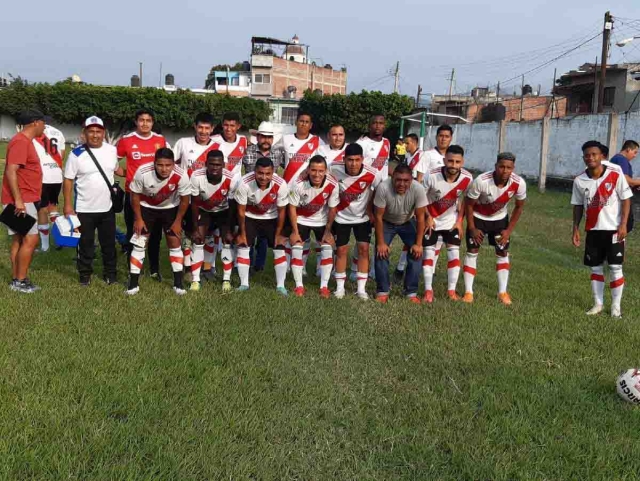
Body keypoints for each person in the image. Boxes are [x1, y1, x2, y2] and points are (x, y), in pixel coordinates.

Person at [571, 140, 632, 318]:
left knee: (615, 267)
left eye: (594, 154)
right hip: (593, 230)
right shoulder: (580, 180)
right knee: (595, 268)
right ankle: (598, 304)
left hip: (614, 230)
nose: (590, 157)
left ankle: (615, 308)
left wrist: (623, 224)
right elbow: (577, 206)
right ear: (584, 158)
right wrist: (575, 228)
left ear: (601, 156)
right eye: (587, 155)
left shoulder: (615, 173)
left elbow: (626, 198)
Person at [63, 116, 124, 286]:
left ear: (103, 133)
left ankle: (110, 274)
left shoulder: (111, 150)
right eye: (91, 131)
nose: (95, 135)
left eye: (98, 131)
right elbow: (68, 180)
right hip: (84, 208)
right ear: (85, 133)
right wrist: (68, 205)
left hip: (107, 208)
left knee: (109, 244)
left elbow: (117, 169)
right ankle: (85, 275)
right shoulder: (76, 154)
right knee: (86, 244)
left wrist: (132, 172)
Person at [463, 152, 526, 305]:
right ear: (495, 166)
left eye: (508, 168)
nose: (505, 171)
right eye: (501, 167)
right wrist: (471, 227)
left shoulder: (519, 183)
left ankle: (502, 292)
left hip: (500, 220)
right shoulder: (481, 181)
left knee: (502, 252)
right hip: (478, 218)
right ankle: (468, 292)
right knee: (472, 251)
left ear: (513, 168)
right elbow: (469, 204)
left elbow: (519, 208)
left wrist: (508, 231)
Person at [126, 148, 191, 296]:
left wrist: (178, 221)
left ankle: (178, 284)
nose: (164, 169)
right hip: (146, 208)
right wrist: (138, 218)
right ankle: (133, 284)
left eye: (168, 165)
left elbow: (185, 200)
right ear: (154, 163)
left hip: (170, 209)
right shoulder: (142, 172)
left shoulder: (181, 175)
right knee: (139, 242)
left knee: (174, 243)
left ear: (173, 164)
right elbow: (134, 196)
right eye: (160, 165)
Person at [117, 109, 168, 280]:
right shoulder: (126, 140)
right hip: (133, 194)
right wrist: (127, 174)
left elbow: (167, 164)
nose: (145, 123)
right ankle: (133, 268)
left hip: (156, 196)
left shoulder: (160, 140)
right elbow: (113, 162)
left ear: (153, 123)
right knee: (135, 232)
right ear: (136, 121)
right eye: (141, 120)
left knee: (155, 235)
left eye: (148, 120)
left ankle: (154, 269)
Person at [2, 110, 46, 293]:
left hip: (23, 198)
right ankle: (20, 281)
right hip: (22, 200)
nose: (45, 127)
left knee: (18, 240)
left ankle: (16, 279)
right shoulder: (21, 142)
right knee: (31, 238)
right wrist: (19, 201)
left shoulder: (24, 141)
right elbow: (11, 171)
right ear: (35, 123)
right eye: (44, 123)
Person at [330, 143, 381, 300]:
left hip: (362, 218)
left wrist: (369, 208)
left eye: (357, 160)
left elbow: (379, 190)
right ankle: (339, 288)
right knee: (341, 251)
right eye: (350, 160)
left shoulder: (373, 173)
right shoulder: (333, 168)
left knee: (364, 250)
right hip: (341, 217)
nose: (353, 164)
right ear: (344, 159)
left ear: (362, 160)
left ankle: (361, 289)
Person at [422, 145, 473, 302]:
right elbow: (420, 198)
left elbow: (466, 200)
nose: (453, 165)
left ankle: (451, 291)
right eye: (450, 161)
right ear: (444, 160)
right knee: (429, 254)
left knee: (454, 254)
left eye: (457, 162)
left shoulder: (468, 178)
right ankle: (428, 291)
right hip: (432, 221)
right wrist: (428, 217)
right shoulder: (431, 175)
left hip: (451, 222)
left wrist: (459, 221)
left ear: (462, 162)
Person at [173, 112, 219, 279]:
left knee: (208, 234)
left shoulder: (217, 146)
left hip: (208, 198)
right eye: (200, 127)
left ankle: (207, 268)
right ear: (195, 126)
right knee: (188, 232)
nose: (203, 131)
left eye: (207, 128)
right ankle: (187, 266)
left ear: (212, 129)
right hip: (186, 196)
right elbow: (173, 163)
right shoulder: (183, 143)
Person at [234, 157, 289, 294]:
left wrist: (279, 233)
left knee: (279, 247)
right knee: (243, 246)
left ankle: (280, 286)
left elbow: (282, 211)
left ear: (273, 172)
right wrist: (242, 232)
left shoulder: (281, 184)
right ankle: (244, 284)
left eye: (267, 174)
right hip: (250, 217)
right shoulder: (244, 182)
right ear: (254, 172)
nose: (264, 177)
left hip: (272, 217)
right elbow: (240, 210)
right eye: (260, 173)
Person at [373, 163, 427, 303]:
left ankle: (411, 292)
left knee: (417, 253)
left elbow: (421, 218)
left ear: (412, 180)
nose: (401, 184)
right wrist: (380, 243)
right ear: (392, 178)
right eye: (398, 180)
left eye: (406, 181)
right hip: (386, 221)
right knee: (381, 252)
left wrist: (419, 244)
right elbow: (378, 217)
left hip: (407, 222)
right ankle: (383, 290)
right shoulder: (383, 188)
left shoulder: (418, 189)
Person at [287, 155, 339, 298]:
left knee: (327, 248)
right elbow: (292, 207)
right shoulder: (298, 184)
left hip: (321, 221)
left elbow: (332, 209)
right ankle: (299, 286)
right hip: (301, 219)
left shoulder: (333, 184)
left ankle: (324, 287)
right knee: (297, 247)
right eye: (314, 170)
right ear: (308, 170)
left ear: (326, 171)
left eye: (321, 171)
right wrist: (294, 231)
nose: (317, 174)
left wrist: (328, 232)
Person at [189, 150, 240, 293]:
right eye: (211, 164)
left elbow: (232, 206)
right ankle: (195, 280)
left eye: (218, 164)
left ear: (223, 165)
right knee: (198, 240)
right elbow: (194, 204)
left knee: (227, 241)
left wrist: (229, 229)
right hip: (205, 211)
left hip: (224, 212)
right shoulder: (196, 176)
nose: (214, 167)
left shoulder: (231, 178)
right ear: (206, 164)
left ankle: (226, 280)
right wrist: (194, 228)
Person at [242, 121, 285, 272]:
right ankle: (247, 262)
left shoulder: (279, 153)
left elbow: (291, 169)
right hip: (249, 196)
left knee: (264, 237)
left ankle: (259, 265)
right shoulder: (247, 151)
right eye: (263, 136)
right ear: (257, 137)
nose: (266, 140)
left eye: (269, 137)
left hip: (269, 198)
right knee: (249, 235)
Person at [353, 114, 391, 280]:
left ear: (384, 126)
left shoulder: (388, 143)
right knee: (363, 234)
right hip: (365, 193)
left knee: (380, 233)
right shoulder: (361, 144)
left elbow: (385, 167)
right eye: (374, 123)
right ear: (369, 125)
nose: (377, 126)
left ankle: (376, 269)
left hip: (383, 194)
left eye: (381, 123)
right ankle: (356, 268)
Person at [209, 112, 248, 272]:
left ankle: (237, 263)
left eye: (233, 125)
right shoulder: (214, 140)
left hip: (235, 194)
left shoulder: (244, 141)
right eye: (226, 125)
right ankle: (209, 265)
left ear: (238, 126)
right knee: (212, 230)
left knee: (235, 229)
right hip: (215, 191)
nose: (229, 128)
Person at [394, 132, 428, 280]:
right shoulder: (409, 157)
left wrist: (414, 203)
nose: (405, 146)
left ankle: (408, 269)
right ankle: (402, 267)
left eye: (407, 143)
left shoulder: (422, 156)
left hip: (420, 199)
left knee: (419, 237)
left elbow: (419, 179)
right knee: (412, 237)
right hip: (409, 198)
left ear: (415, 142)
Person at [33, 121, 65, 252]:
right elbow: (61, 155)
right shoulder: (59, 132)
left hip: (42, 176)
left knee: (42, 210)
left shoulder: (36, 131)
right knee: (53, 207)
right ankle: (60, 238)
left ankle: (45, 246)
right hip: (56, 175)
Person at [610, 140, 640, 232]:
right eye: (634, 152)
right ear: (628, 149)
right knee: (626, 223)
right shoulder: (622, 160)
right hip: (620, 198)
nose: (635, 156)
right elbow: (626, 180)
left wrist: (635, 184)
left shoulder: (617, 159)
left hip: (618, 196)